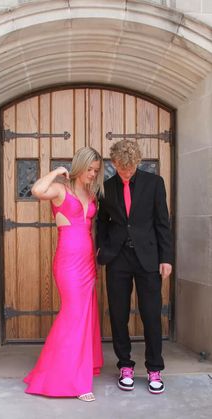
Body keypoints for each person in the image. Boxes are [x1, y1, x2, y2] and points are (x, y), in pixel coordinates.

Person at [24, 147, 104, 402]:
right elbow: (36, 190)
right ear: (78, 166)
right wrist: (56, 171)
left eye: (96, 171)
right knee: (72, 316)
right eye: (89, 169)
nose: (92, 174)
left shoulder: (91, 193)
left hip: (87, 262)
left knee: (83, 317)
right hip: (68, 263)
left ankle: (60, 370)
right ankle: (73, 381)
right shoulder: (60, 188)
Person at [96, 139, 172, 394]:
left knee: (151, 314)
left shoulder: (154, 184)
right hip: (118, 259)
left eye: (129, 169)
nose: (125, 173)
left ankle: (154, 369)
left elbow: (163, 223)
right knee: (118, 314)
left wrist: (166, 258)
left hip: (148, 258)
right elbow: (103, 222)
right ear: (114, 163)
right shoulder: (106, 187)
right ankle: (125, 365)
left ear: (137, 163)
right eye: (120, 168)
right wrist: (102, 248)